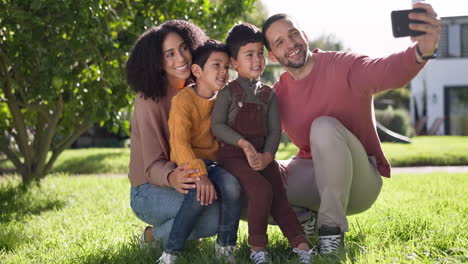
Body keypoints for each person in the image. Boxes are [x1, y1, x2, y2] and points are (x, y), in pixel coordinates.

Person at [261, 2, 441, 255]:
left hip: (360, 180)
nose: (290, 44)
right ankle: (302, 219)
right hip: (313, 177)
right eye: (279, 42)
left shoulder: (343, 66)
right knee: (253, 180)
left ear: (304, 35)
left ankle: (331, 232)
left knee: (323, 126)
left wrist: (422, 51)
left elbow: (386, 71)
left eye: (293, 34)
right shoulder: (278, 95)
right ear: (272, 56)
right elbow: (254, 134)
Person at [125, 20, 242, 263]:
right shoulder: (148, 101)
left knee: (224, 203)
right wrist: (172, 177)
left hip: (196, 173)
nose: (181, 58)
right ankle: (152, 237)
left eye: (184, 48)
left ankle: (186, 227)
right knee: (213, 218)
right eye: (169, 54)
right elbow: (151, 165)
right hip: (150, 189)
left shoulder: (200, 88)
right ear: (156, 61)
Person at [211, 23, 314, 264]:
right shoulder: (227, 92)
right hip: (233, 158)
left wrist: (268, 156)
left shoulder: (269, 95)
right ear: (235, 63)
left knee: (280, 197)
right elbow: (217, 126)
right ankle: (258, 249)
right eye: (249, 55)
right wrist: (244, 145)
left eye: (260, 53)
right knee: (261, 190)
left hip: (262, 157)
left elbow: (274, 132)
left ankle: (301, 245)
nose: (257, 59)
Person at [161, 40, 240, 264]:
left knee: (232, 185)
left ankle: (225, 248)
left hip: (214, 165)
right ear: (197, 71)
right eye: (217, 65)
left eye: (226, 67)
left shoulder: (223, 99)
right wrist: (200, 174)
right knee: (197, 194)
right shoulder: (183, 100)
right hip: (187, 163)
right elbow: (179, 143)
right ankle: (169, 254)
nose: (224, 72)